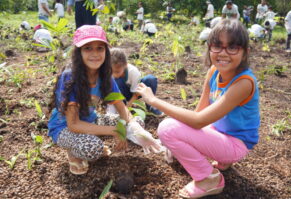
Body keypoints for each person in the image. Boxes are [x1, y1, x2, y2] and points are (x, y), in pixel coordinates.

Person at [136, 19, 260, 198]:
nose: (223, 53)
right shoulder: (213, 72)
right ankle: (221, 160)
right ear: (210, 48)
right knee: (176, 130)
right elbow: (199, 113)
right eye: (217, 46)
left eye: (232, 47)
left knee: (167, 128)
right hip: (219, 132)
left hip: (236, 145)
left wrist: (153, 100)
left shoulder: (243, 83)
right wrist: (181, 140)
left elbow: (199, 121)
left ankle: (209, 179)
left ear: (245, 52)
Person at [48, 25, 163, 175]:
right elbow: (74, 124)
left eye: (100, 48)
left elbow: (122, 109)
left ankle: (93, 136)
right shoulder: (71, 76)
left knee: (136, 123)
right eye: (88, 48)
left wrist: (137, 129)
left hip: (91, 121)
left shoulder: (105, 76)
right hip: (64, 128)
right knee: (92, 148)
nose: (95, 54)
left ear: (106, 52)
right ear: (79, 52)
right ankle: (73, 151)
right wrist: (115, 131)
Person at [110, 48, 163, 116]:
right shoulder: (110, 73)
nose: (114, 74)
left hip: (136, 91)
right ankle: (121, 106)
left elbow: (136, 93)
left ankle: (150, 106)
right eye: (112, 72)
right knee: (116, 81)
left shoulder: (133, 72)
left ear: (125, 65)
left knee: (150, 79)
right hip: (122, 94)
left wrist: (128, 107)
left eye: (117, 72)